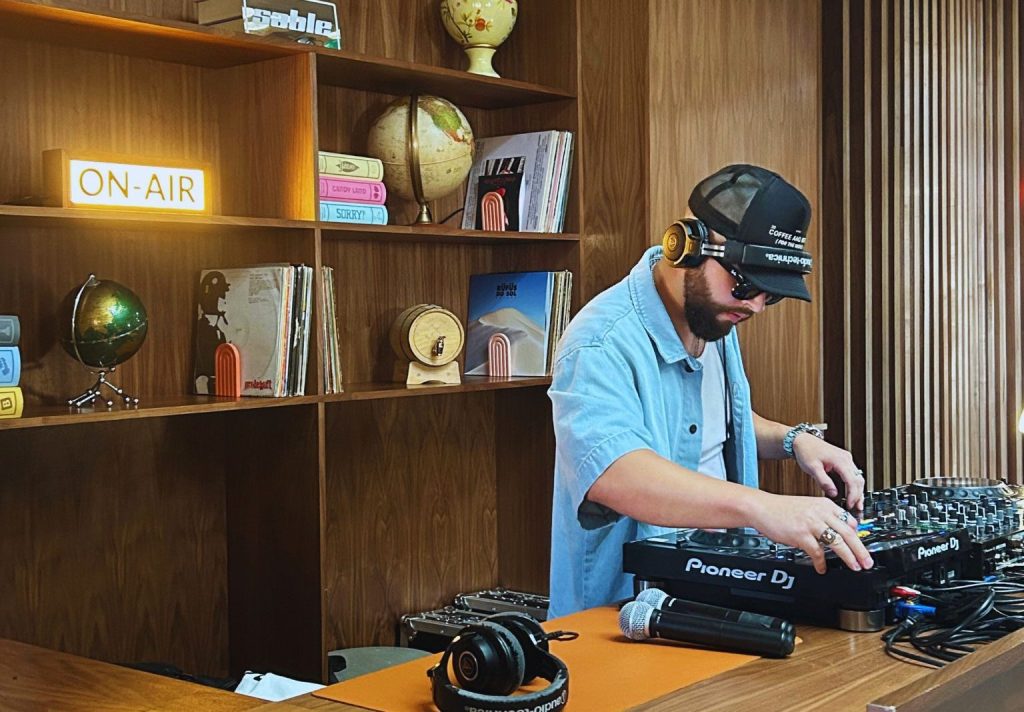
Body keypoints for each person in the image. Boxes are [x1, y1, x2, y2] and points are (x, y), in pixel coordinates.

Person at [547, 164, 874, 617]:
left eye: (770, 293)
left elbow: (713, 424)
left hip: (711, 591)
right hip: (627, 615)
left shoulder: (713, 314)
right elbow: (614, 473)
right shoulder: (598, 342)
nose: (755, 305)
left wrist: (794, 440)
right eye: (746, 284)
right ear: (686, 247)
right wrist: (761, 508)